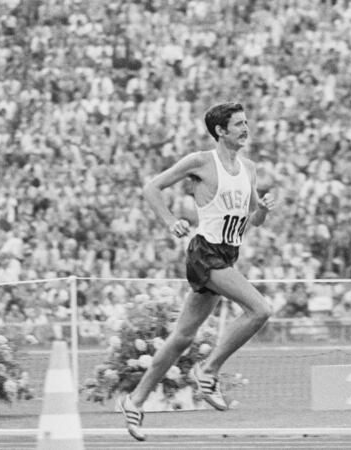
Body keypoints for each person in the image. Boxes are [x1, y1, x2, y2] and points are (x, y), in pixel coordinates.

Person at [120, 102, 276, 441]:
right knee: (260, 309)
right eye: (238, 124)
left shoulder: (249, 168)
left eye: (246, 122)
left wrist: (262, 211)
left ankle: (135, 400)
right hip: (205, 254)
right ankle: (208, 370)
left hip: (227, 254)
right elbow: (151, 188)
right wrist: (170, 221)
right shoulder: (201, 161)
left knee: (183, 337)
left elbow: (251, 220)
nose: (245, 128)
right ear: (220, 131)